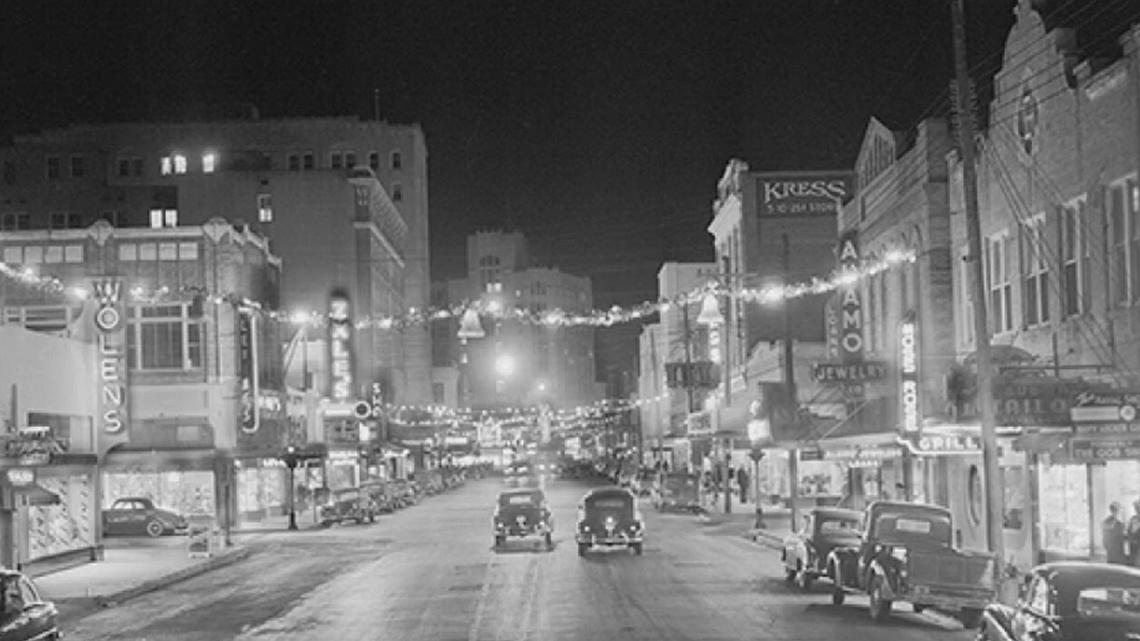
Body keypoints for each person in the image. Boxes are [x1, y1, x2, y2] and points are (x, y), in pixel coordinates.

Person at [1128, 500, 1140, 566]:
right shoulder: (1133, 519)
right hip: (1133, 547)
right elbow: (1129, 531)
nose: (1137, 510)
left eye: (1138, 508)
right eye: (1136, 508)